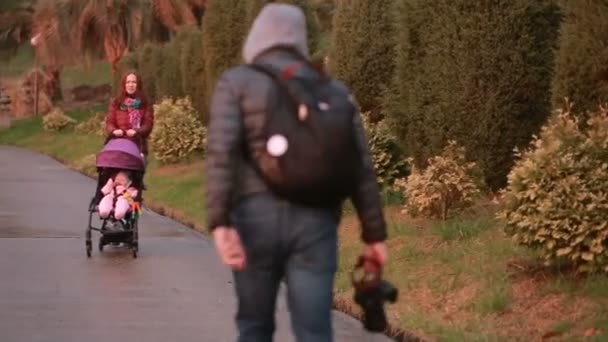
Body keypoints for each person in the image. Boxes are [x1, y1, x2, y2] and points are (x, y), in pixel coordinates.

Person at [206, 4, 388, 342]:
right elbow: (361, 167)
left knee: (254, 327)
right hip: (316, 225)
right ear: (300, 39)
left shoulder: (237, 83)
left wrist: (220, 223)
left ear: (258, 37)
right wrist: (374, 236)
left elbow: (221, 155)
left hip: (254, 220)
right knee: (315, 330)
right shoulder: (332, 90)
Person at [105, 71, 154, 160]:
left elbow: (148, 124)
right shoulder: (117, 103)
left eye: (134, 82)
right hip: (118, 143)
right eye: (128, 82)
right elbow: (109, 122)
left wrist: (137, 131)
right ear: (124, 85)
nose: (131, 85)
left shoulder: (144, 103)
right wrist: (114, 130)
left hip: (138, 144)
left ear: (138, 85)